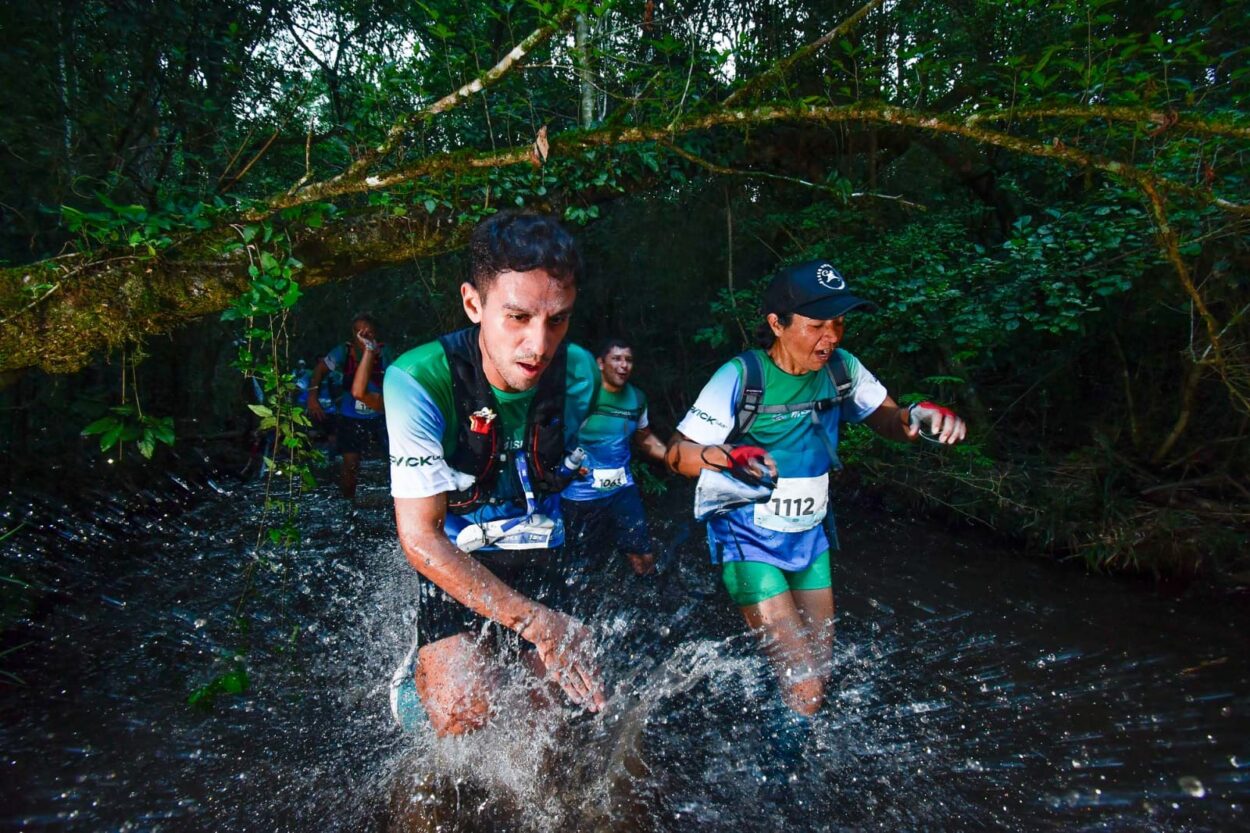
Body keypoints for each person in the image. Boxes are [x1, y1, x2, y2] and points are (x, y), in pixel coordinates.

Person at [665, 260, 966, 724]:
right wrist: (730, 456)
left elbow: (888, 419)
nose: (832, 337)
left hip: (810, 538)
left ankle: (766, 750)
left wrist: (918, 416)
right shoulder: (742, 376)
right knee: (804, 685)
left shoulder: (843, 369)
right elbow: (677, 453)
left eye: (839, 324)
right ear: (777, 324)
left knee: (815, 680)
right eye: (817, 325)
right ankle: (770, 788)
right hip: (748, 540)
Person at [384, 211, 607, 737]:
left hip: (538, 542)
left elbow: (561, 476)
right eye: (517, 317)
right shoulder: (416, 380)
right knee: (464, 716)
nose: (538, 345)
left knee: (547, 728)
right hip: (457, 546)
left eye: (557, 320)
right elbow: (419, 537)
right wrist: (534, 624)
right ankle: (422, 670)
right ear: (472, 304)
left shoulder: (580, 376)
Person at [561, 338, 667, 577]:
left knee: (643, 555)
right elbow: (553, 436)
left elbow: (645, 438)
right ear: (600, 363)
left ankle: (646, 603)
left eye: (628, 360)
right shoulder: (581, 396)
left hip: (622, 490)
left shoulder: (637, 398)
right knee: (581, 565)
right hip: (580, 496)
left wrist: (675, 458)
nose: (623, 366)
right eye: (616, 359)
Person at [307, 314, 389, 499]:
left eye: (368, 331)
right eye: (359, 331)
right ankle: (348, 503)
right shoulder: (344, 352)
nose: (364, 335)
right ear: (353, 334)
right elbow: (319, 370)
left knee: (394, 460)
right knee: (350, 464)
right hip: (351, 415)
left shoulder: (385, 352)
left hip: (380, 413)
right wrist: (313, 397)